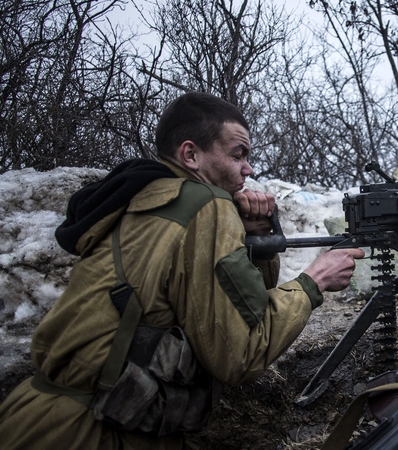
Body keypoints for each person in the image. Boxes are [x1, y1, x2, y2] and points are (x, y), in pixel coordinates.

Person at [0, 92, 365, 449]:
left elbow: (231, 300)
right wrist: (312, 282)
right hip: (91, 432)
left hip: (35, 415)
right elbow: (240, 353)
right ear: (190, 154)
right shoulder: (205, 204)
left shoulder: (141, 197)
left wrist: (252, 239)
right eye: (238, 154)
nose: (248, 169)